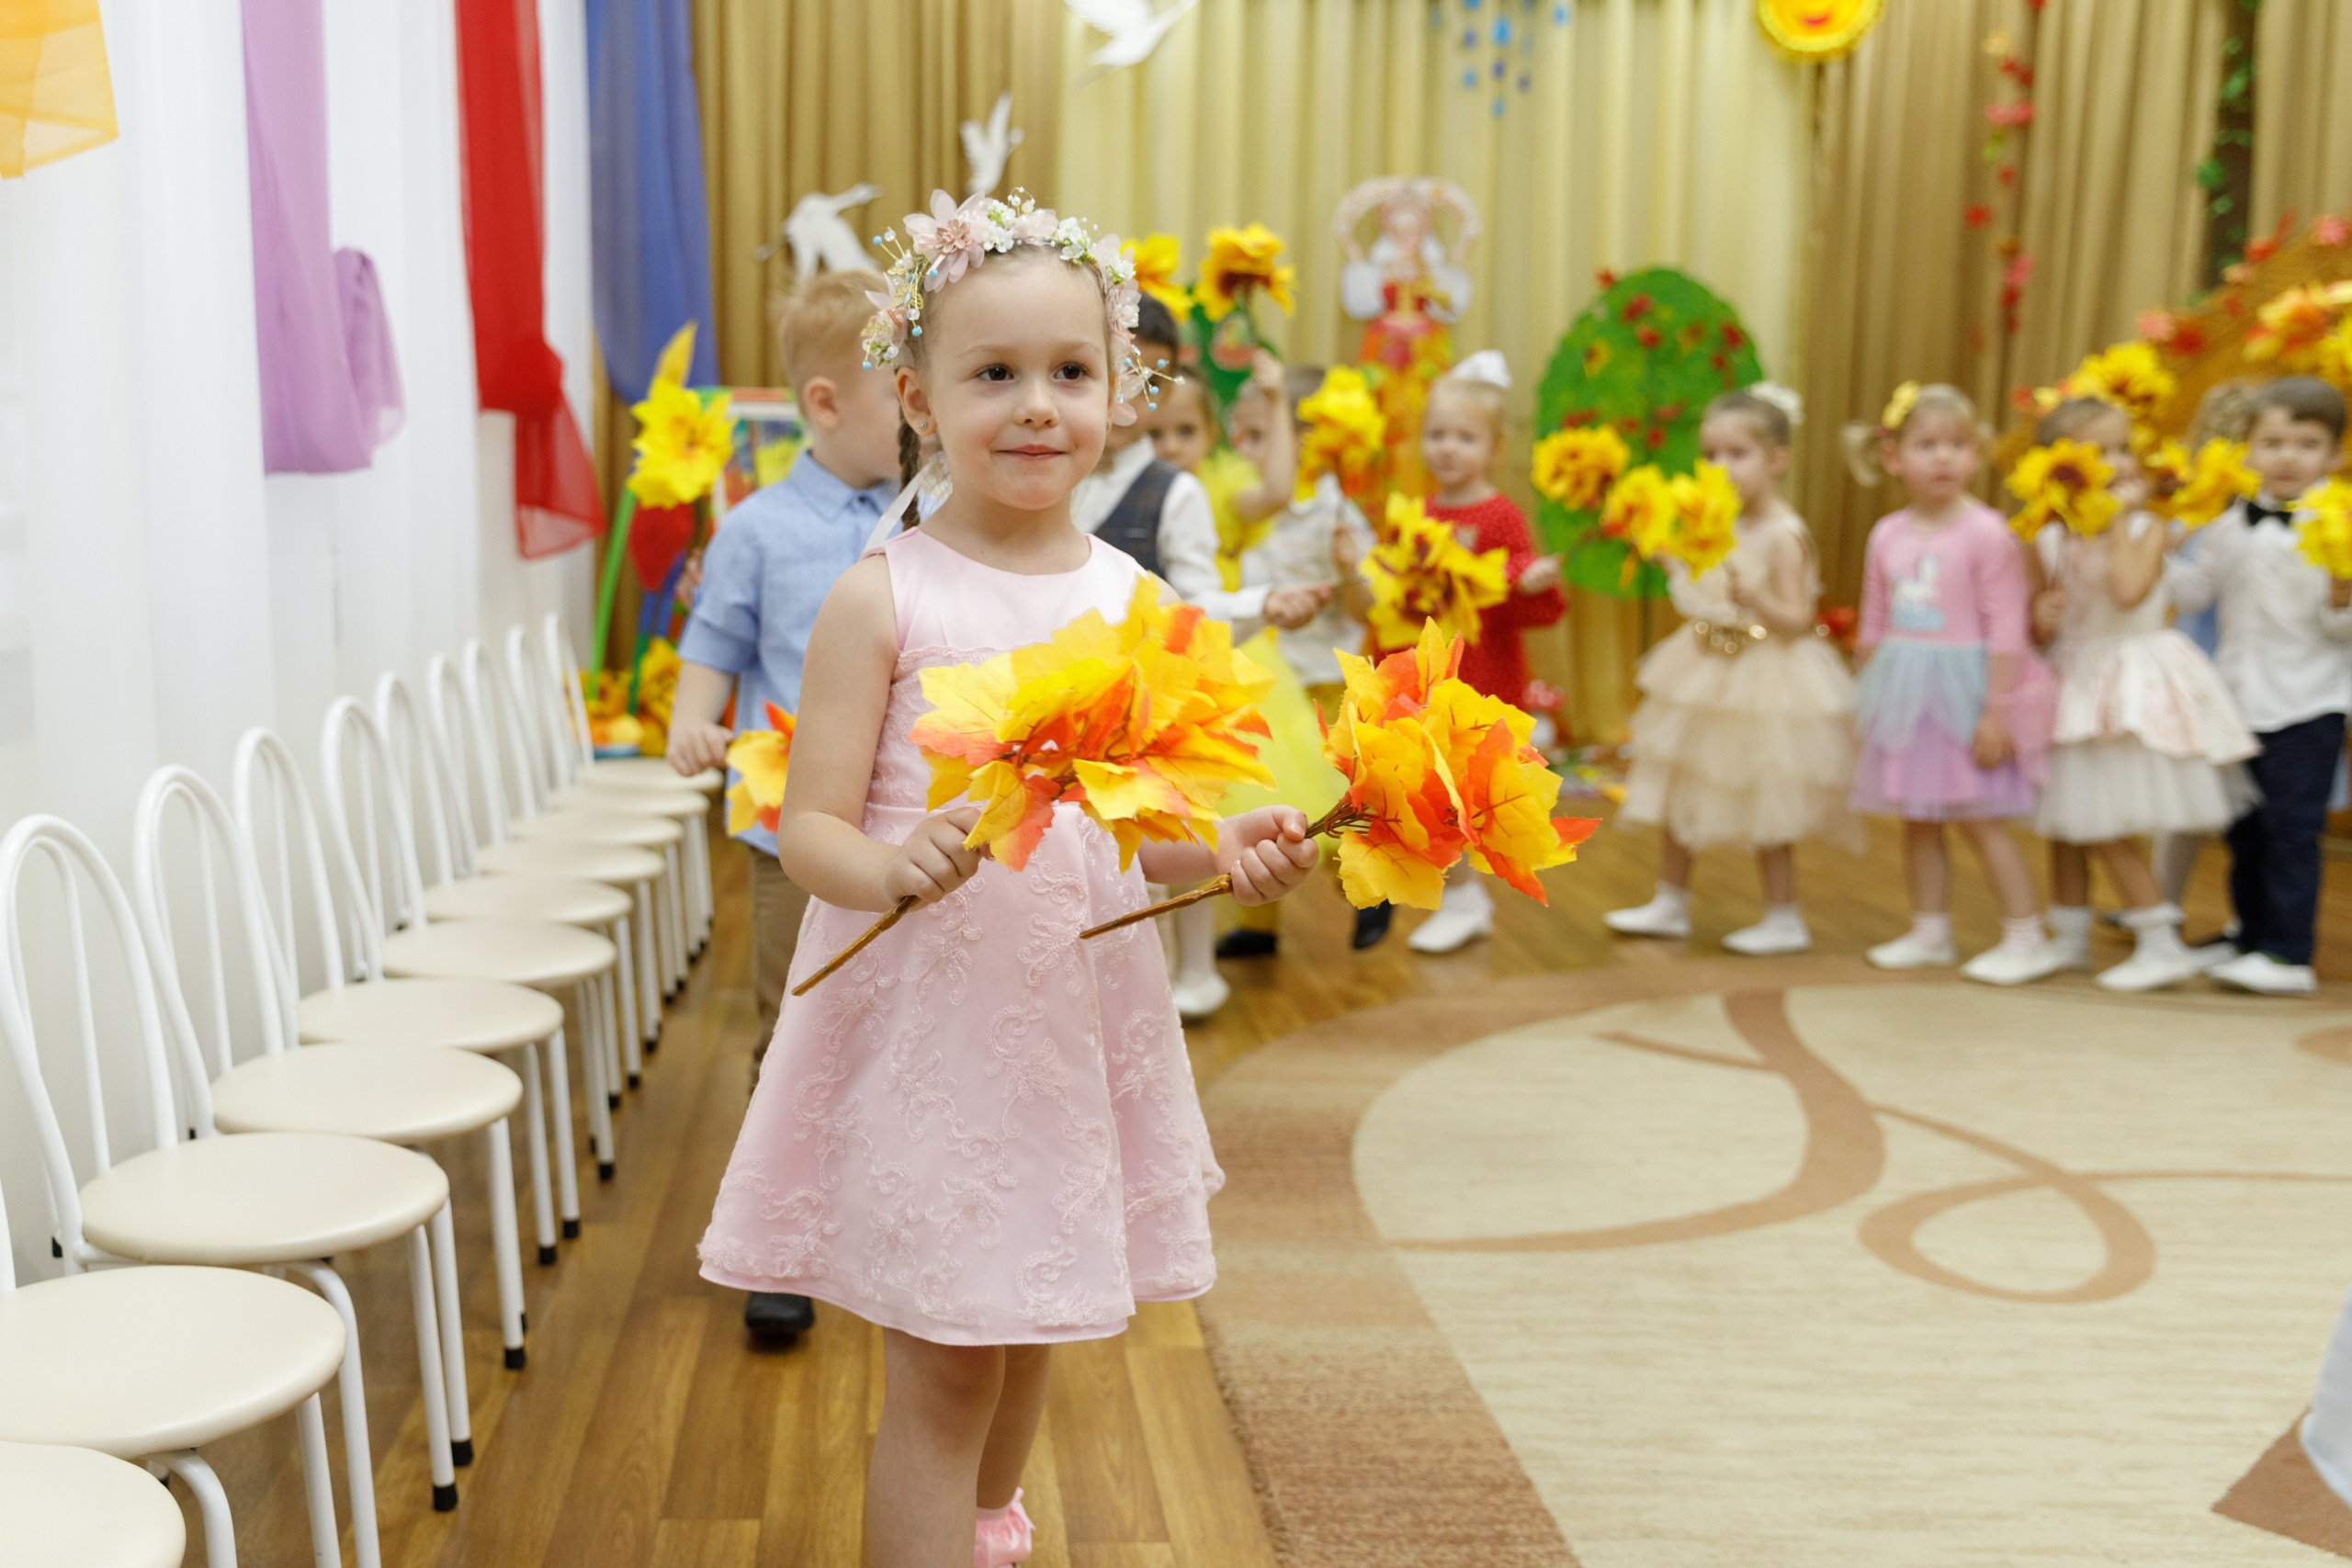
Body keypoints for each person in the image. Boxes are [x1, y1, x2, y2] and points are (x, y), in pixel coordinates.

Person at [695, 191, 1319, 1568]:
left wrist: (1230, 850)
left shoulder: (1141, 606)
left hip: (1069, 1035)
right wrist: (888, 862)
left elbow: (1150, 831)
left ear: (1121, 392)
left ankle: (985, 1529)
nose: (1037, 405)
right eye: (994, 374)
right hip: (937, 1034)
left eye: (1070, 371)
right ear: (918, 398)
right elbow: (808, 830)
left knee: (1039, 1321)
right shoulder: (884, 595)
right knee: (946, 1371)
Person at [665, 267, 902, 1344]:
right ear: (825, 403)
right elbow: (713, 646)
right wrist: (692, 723)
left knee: (905, 1024)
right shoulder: (756, 530)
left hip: (908, 829)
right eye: (900, 390)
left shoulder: (931, 519)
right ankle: (783, 1238)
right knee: (795, 1021)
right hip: (789, 836)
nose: (922, 410)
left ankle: (887, 1214)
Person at [1079, 298, 1328, 1021]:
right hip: (1073, 699)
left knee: (1159, 838)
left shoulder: (1175, 490)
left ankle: (1175, 976)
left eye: (1150, 379)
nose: (1131, 394)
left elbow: (1193, 600)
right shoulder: (1057, 474)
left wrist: (1261, 602)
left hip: (1148, 699)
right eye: (1110, 369)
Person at [1607, 386, 1859, 954]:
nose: (1721, 468)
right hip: (1702, 669)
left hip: (1765, 677)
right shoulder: (1712, 523)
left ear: (1777, 459)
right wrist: (1671, 560)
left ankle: (1783, 916)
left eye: (1737, 454)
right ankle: (1670, 901)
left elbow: (1798, 620)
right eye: (1711, 454)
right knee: (1679, 782)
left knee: (1765, 792)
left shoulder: (1784, 535)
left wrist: (1759, 602)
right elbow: (1704, 594)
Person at [2024, 398, 2256, 990]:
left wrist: (2115, 521)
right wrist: (2040, 616)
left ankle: (2159, 941)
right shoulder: (2047, 537)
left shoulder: (2147, 528)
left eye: (2124, 448)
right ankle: (2068, 939)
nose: (2120, 462)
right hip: (2072, 684)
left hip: (2130, 686)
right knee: (2065, 823)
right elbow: (2040, 622)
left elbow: (2128, 591)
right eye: (2100, 452)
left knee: (2102, 821)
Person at [1844, 382, 2064, 985]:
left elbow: (2008, 629)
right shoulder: (1887, 533)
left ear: (1977, 454)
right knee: (1918, 818)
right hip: (1904, 690)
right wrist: (1865, 697)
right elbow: (1874, 619)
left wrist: (1996, 712)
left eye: (1958, 444)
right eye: (1927, 444)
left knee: (1978, 816)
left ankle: (2026, 936)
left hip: (1967, 694)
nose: (1943, 456)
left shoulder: (1987, 532)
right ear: (1893, 457)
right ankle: (1929, 931)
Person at [2169, 376, 2352, 996]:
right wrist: (2159, 546)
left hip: (2307, 702)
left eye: (2307, 444)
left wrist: (2342, 596)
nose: (2287, 457)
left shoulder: (2339, 526)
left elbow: (2340, 629)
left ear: (2334, 456)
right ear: (2246, 450)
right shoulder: (2229, 525)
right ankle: (2247, 933)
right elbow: (2196, 593)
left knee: (2290, 829)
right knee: (2243, 828)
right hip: (2238, 699)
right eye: (2272, 443)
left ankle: (2287, 953)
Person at [1404, 351, 1566, 953]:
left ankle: (1466, 898)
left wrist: (1526, 578)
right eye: (1437, 434)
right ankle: (1461, 896)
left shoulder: (1500, 515)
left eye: (1464, 437)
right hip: (1433, 671)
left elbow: (1529, 600)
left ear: (1495, 448)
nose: (1447, 448)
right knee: (1433, 785)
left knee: (1467, 789)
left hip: (1484, 672)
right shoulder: (1420, 512)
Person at [1216, 363, 1380, 955]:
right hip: (1260, 679)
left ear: (1305, 440)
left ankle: (1366, 892)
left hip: (1319, 680)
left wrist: (1349, 571)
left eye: (1260, 436)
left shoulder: (1334, 513)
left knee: (1324, 805)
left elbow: (1366, 608)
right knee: (1260, 797)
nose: (1244, 450)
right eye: (1239, 434)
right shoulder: (1244, 507)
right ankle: (1259, 925)